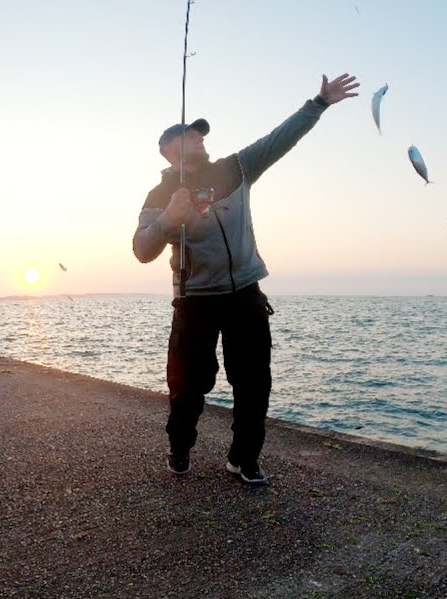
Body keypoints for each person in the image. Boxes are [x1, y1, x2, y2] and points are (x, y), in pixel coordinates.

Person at [132, 73, 359, 485]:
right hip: (194, 301)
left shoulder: (236, 168)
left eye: (201, 134)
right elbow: (142, 250)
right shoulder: (157, 195)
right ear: (169, 150)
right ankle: (180, 448)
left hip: (246, 296)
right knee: (188, 388)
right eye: (190, 134)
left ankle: (244, 458)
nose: (200, 138)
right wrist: (169, 218)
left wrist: (319, 102)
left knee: (254, 385)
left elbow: (279, 139)